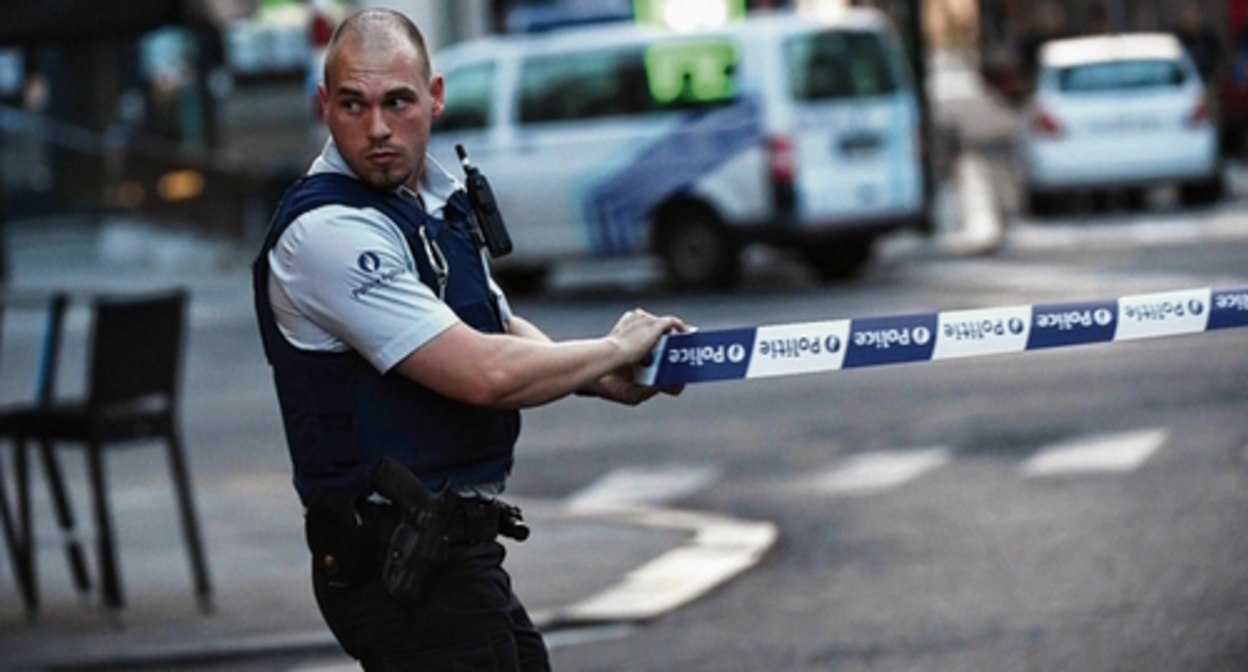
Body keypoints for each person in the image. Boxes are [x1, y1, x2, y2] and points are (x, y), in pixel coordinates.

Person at [252, 8, 686, 671]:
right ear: (323, 106)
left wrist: (598, 375)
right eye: (352, 105)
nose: (376, 128)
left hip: (451, 554)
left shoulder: (428, 199)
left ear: (435, 97)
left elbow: (498, 326)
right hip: (400, 562)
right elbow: (483, 372)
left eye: (398, 102)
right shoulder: (327, 232)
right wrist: (611, 349)